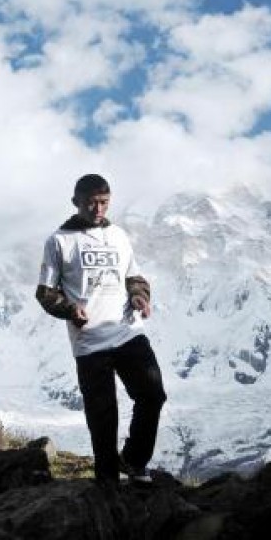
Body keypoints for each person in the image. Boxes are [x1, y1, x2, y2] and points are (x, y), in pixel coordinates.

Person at [35, 174, 166, 485]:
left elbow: (134, 277)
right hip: (90, 341)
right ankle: (107, 481)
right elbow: (45, 292)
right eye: (91, 202)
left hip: (127, 331)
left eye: (104, 202)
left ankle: (133, 461)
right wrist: (70, 310)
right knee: (102, 416)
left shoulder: (119, 235)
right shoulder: (59, 240)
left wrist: (139, 296)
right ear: (76, 202)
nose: (98, 209)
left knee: (152, 394)